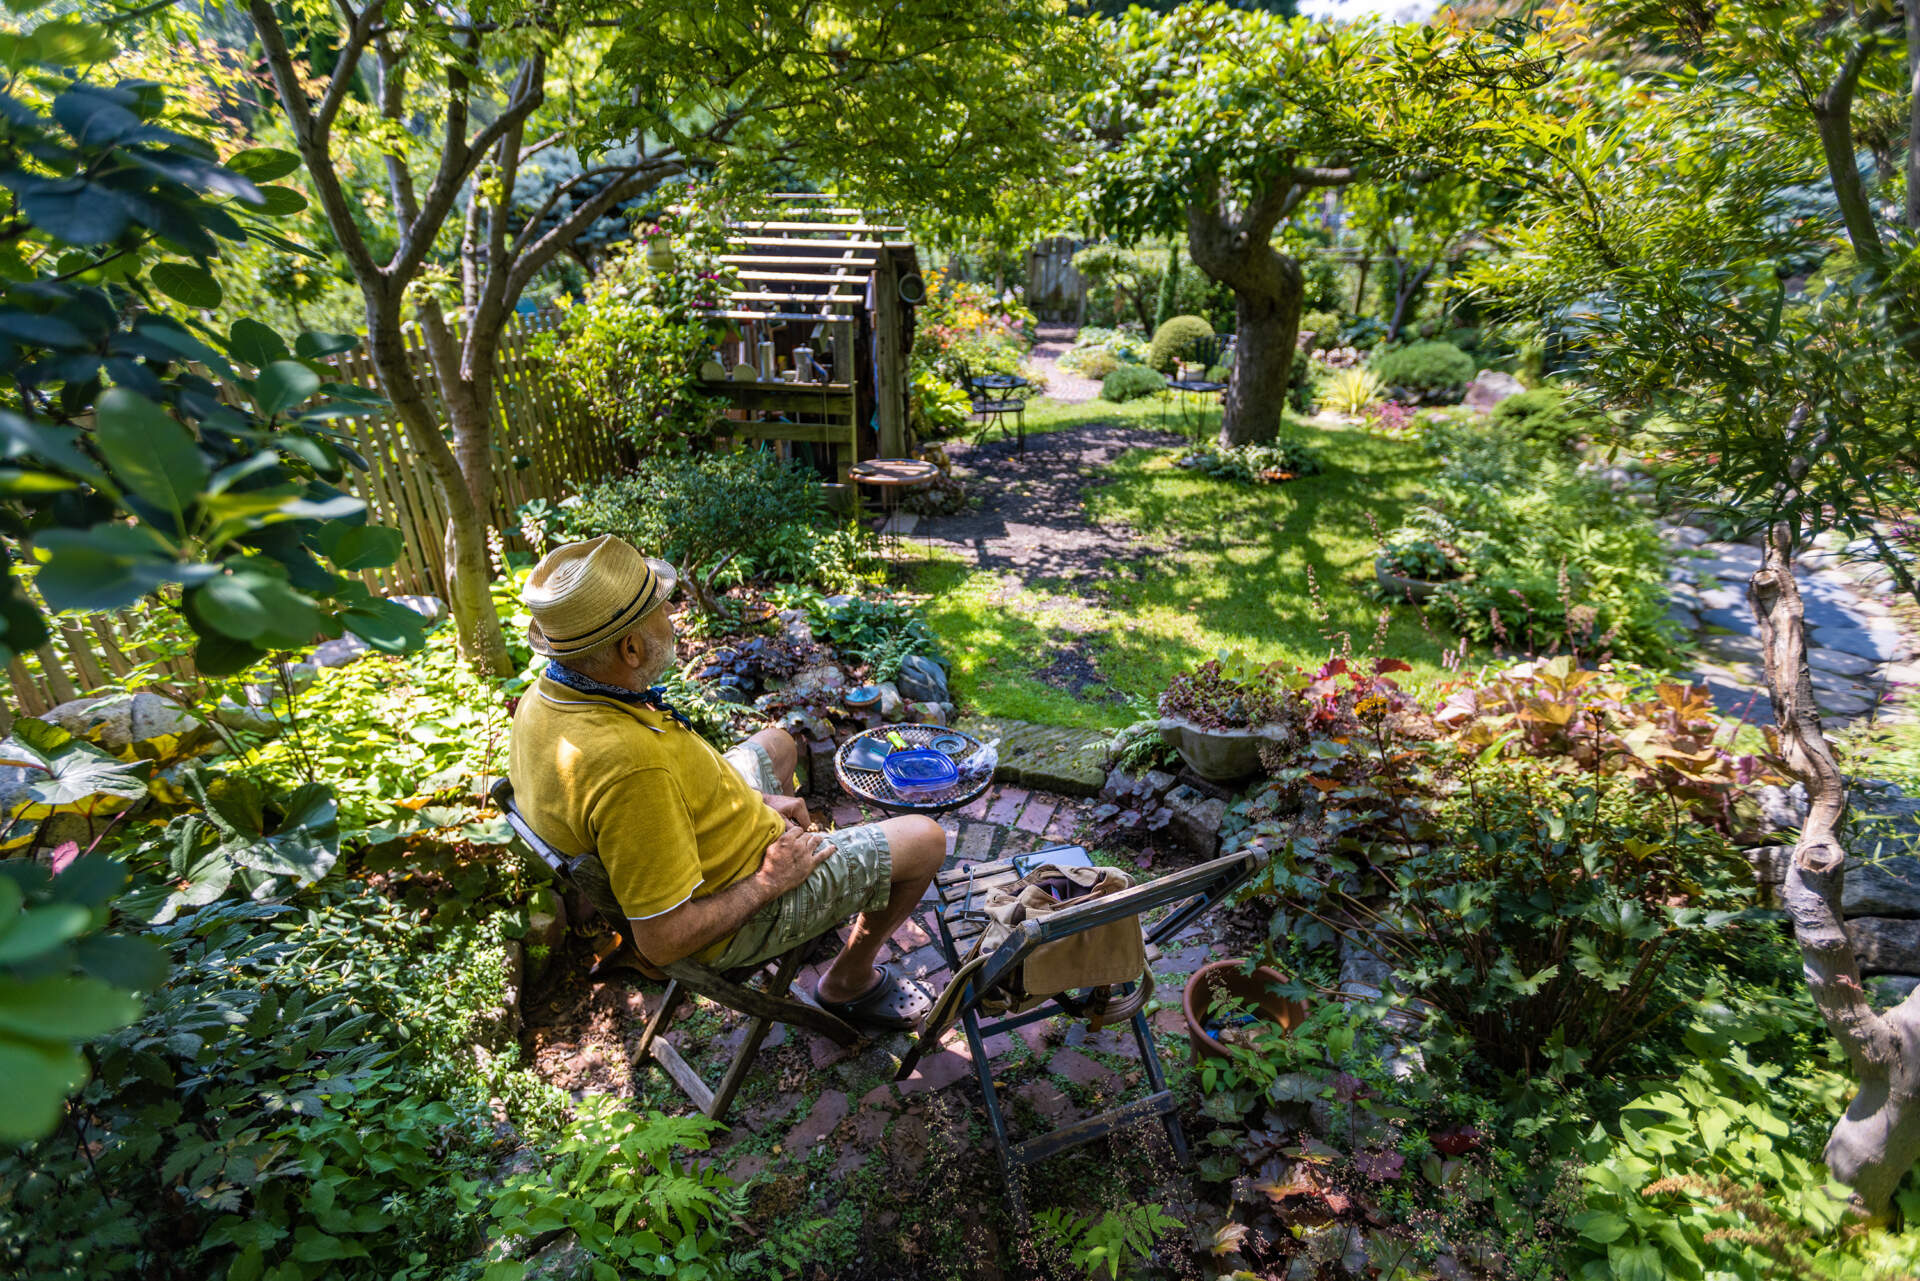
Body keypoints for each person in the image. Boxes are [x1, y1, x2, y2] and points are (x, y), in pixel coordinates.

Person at [506, 535, 943, 1030]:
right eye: (661, 609)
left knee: (778, 743)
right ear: (630, 648)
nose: (672, 615)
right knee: (925, 839)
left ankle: (815, 906)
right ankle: (846, 979)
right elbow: (664, 938)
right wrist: (770, 880)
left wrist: (751, 802)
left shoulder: (551, 696)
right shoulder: (631, 769)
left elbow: (662, 804)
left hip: (696, 839)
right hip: (731, 909)